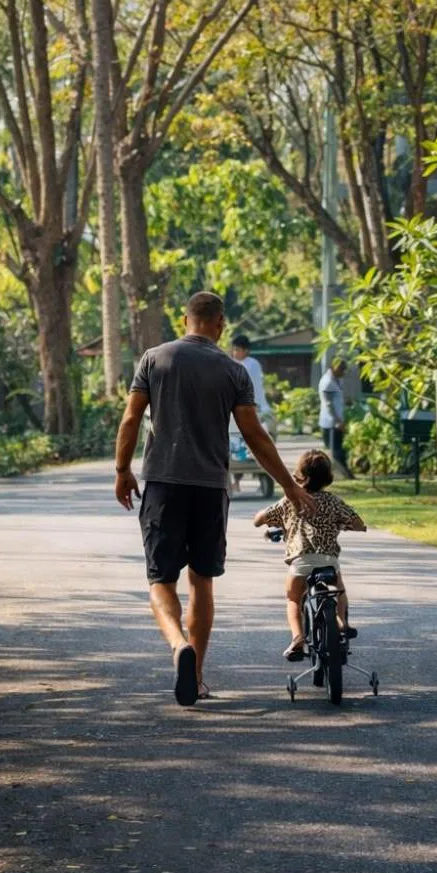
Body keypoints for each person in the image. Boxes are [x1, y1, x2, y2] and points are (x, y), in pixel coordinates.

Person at [114, 290, 315, 706]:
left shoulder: (154, 359)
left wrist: (122, 470)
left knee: (160, 580)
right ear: (220, 323)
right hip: (209, 487)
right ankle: (197, 676)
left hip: (163, 485)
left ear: (184, 319)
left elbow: (131, 418)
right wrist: (289, 486)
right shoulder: (233, 370)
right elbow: (255, 435)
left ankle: (178, 645)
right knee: (201, 580)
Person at [253, 447, 366, 661]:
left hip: (301, 562)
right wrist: (356, 527)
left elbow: (260, 519)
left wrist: (259, 518)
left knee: (293, 599)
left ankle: (298, 638)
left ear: (300, 475)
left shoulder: (290, 500)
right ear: (328, 477)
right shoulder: (333, 501)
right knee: (339, 589)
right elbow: (357, 522)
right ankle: (341, 622)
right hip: (328, 561)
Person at [318, 357, 350, 473]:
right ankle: (343, 473)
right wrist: (338, 421)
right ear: (334, 367)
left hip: (336, 421)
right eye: (342, 369)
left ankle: (344, 473)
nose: (343, 372)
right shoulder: (327, 382)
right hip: (330, 423)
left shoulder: (336, 380)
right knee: (335, 451)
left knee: (338, 449)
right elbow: (329, 405)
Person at [230, 334, 271, 422]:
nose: (234, 353)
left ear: (246, 350)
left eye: (237, 350)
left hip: (255, 408)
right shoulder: (232, 363)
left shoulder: (252, 364)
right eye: (233, 349)